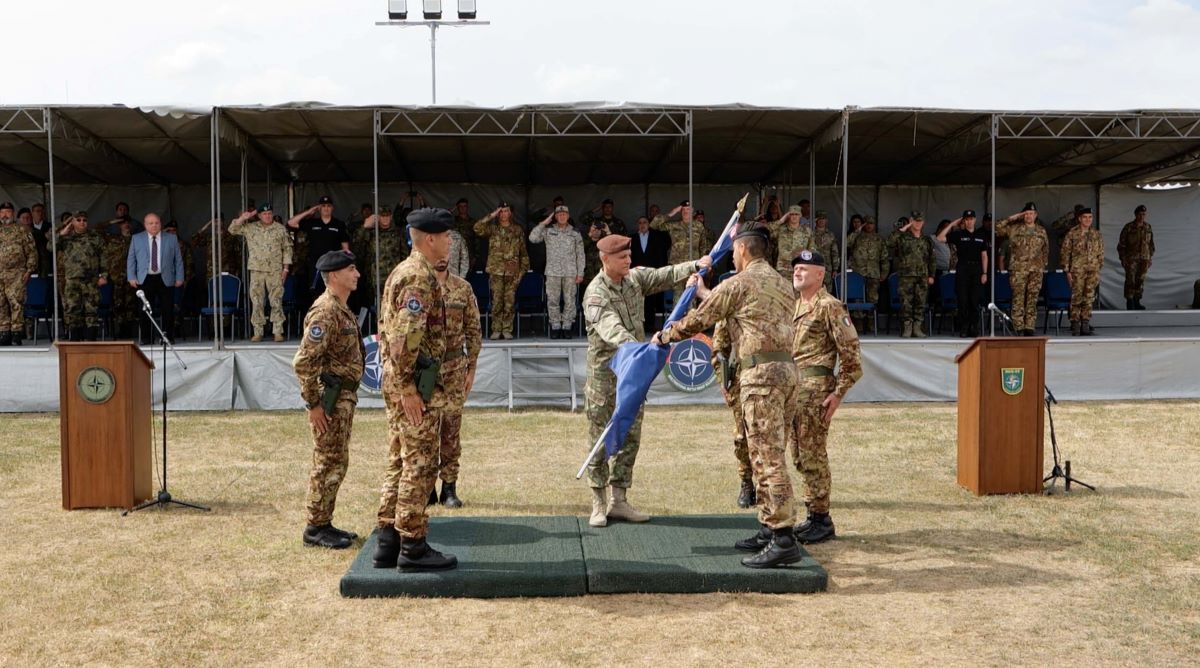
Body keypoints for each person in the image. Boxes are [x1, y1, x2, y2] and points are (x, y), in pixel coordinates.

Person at [652, 226, 799, 569]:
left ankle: (783, 538)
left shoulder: (741, 283)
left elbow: (702, 319)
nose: (731, 256)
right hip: (787, 375)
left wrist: (665, 335)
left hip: (760, 378)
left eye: (733, 251)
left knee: (768, 457)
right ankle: (768, 525)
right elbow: (737, 310)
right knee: (766, 453)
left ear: (744, 251)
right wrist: (705, 291)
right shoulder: (781, 283)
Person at [582, 234, 712, 528]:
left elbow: (662, 275)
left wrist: (695, 265)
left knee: (630, 437)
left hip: (634, 374)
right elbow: (611, 330)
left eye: (629, 256)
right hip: (607, 377)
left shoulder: (633, 279)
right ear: (605, 260)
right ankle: (598, 503)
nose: (628, 261)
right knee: (601, 438)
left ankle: (619, 500)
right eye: (622, 258)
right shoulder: (595, 294)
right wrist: (640, 348)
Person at [373, 208, 458, 572]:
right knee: (420, 465)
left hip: (403, 383)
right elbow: (404, 340)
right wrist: (409, 388)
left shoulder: (405, 271)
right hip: (413, 388)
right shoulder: (418, 278)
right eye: (447, 237)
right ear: (430, 239)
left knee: (399, 460)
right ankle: (413, 546)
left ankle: (387, 540)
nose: (451, 242)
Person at [787, 248, 863, 544]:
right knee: (799, 455)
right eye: (795, 268)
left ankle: (821, 518)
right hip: (795, 391)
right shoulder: (795, 306)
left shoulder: (829, 306)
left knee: (813, 454)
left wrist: (838, 394)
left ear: (820, 275)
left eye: (804, 269)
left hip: (816, 392)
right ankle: (812, 514)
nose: (797, 272)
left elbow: (852, 357)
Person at [292, 250, 364, 550]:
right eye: (351, 269)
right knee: (327, 462)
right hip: (330, 401)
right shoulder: (325, 312)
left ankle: (324, 521)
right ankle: (315, 527)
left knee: (337, 461)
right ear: (334, 276)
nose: (357, 274)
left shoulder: (340, 308)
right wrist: (314, 405)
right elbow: (303, 362)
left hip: (343, 398)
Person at [429, 250, 482, 507]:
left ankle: (449, 487)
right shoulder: (418, 286)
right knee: (426, 431)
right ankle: (427, 486)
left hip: (454, 368)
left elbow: (473, 329)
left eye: (446, 254)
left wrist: (471, 368)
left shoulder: (462, 288)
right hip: (425, 371)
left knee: (451, 430)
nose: (442, 257)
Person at [230, 203, 293, 342]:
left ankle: (278, 331)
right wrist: (242, 218)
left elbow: (287, 249)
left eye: (270, 213)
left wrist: (286, 269)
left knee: (276, 301)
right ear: (259, 216)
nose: (267, 216)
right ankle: (258, 331)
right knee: (257, 301)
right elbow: (232, 229)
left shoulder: (280, 229)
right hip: (257, 270)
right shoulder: (251, 228)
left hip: (275, 270)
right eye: (264, 214)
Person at [711, 320, 754, 507]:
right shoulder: (732, 306)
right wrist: (723, 381)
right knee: (742, 436)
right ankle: (747, 483)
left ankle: (768, 486)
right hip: (742, 380)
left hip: (773, 378)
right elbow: (719, 351)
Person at [473, 202, 529, 340]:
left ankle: (507, 329)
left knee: (509, 301)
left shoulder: (517, 230)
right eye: (501, 211)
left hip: (512, 271)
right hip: (496, 270)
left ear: (510, 213)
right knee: (497, 300)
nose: (504, 214)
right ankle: (496, 329)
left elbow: (523, 252)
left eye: (506, 211)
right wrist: (491, 215)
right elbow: (477, 228)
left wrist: (523, 270)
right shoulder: (493, 229)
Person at [127, 213, 185, 344]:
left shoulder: (171, 238)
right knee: (145, 309)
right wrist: (131, 276)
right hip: (145, 278)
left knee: (167, 309)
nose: (154, 225)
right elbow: (131, 259)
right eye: (150, 223)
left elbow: (178, 260)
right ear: (145, 224)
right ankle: (147, 338)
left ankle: (167, 337)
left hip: (166, 277)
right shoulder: (137, 238)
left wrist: (179, 277)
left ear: (161, 224)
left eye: (157, 223)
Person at [529, 205, 585, 338]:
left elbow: (580, 254)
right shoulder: (548, 231)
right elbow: (532, 238)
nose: (562, 216)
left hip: (570, 272)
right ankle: (555, 326)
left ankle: (567, 327)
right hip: (553, 272)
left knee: (569, 300)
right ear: (555, 216)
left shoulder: (575, 233)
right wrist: (544, 223)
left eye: (564, 214)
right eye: (559, 214)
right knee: (553, 300)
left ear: (568, 215)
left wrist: (580, 272)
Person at [996, 203, 1049, 336]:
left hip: (1036, 270)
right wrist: (1013, 218)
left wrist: (1042, 265)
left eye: (1031, 213)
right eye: (1026, 213)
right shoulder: (1015, 229)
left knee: (1033, 298)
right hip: (1018, 270)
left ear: (1036, 215)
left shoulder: (1041, 231)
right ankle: (1018, 326)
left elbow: (1045, 250)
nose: (1028, 216)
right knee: (1018, 298)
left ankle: (1029, 326)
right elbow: (997, 228)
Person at [287, 195, 351, 303]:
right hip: (316, 266)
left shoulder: (339, 224)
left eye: (329, 206)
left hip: (333, 266)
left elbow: (346, 249)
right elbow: (290, 223)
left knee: (334, 294)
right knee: (317, 295)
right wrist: (308, 212)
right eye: (323, 206)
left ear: (332, 208)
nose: (326, 208)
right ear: (319, 208)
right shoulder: (312, 223)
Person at [936, 210, 989, 338]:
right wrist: (953, 223)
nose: (969, 221)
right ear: (963, 221)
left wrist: (985, 273)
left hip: (976, 269)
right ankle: (964, 327)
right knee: (963, 300)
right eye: (966, 219)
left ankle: (974, 327)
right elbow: (940, 238)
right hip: (963, 269)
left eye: (971, 219)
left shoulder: (981, 235)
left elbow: (984, 256)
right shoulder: (959, 234)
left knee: (974, 300)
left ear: (975, 220)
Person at [57, 211, 107, 341]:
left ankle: (91, 341)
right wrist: (64, 230)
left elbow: (104, 257)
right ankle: (75, 342)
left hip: (91, 280)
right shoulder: (66, 238)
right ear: (73, 222)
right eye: (78, 220)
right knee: (73, 311)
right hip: (72, 280)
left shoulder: (95, 237)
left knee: (91, 311)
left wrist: (104, 275)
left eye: (84, 220)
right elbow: (51, 246)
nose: (82, 222)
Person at [888, 211, 935, 338]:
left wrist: (932, 275)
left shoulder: (927, 240)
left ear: (923, 222)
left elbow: (932, 259)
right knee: (906, 302)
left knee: (921, 302)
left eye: (920, 221)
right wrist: (903, 229)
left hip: (922, 275)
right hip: (906, 276)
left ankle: (917, 327)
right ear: (911, 221)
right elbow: (889, 243)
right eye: (915, 221)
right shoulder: (903, 237)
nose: (918, 223)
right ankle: (907, 327)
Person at [650, 200, 711, 296]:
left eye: (688, 209)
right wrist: (672, 212)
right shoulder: (674, 225)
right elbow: (653, 225)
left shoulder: (699, 227)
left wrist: (702, 265)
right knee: (678, 300)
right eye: (683, 210)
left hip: (693, 267)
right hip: (677, 268)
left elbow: (703, 247)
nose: (686, 212)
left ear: (692, 211)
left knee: (691, 298)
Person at [355, 205, 410, 311]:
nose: (385, 218)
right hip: (376, 279)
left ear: (391, 216)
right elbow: (357, 244)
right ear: (378, 217)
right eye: (382, 216)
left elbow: (404, 255)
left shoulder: (398, 233)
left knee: (395, 307)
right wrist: (365, 227)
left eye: (387, 216)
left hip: (394, 277)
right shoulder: (372, 233)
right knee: (379, 309)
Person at [1060, 207, 1104, 336]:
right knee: (1077, 297)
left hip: (1092, 270)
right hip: (1077, 271)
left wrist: (1098, 267)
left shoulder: (1096, 234)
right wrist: (1067, 271)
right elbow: (1065, 253)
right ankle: (1075, 323)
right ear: (1079, 219)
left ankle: (1085, 322)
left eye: (1090, 217)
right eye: (1085, 217)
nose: (1088, 220)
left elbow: (1101, 253)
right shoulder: (1072, 233)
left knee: (1089, 297)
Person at [0, 202, 37, 345]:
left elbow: (32, 252)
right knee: (1, 303)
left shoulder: (22, 230)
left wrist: (29, 270)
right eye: (2, 212)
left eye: (8, 212)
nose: (5, 215)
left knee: (16, 302)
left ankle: (16, 333)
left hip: (16, 273)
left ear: (13, 214)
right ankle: (3, 332)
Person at [846, 215, 887, 333]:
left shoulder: (879, 239)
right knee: (858, 298)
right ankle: (858, 324)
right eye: (867, 223)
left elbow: (884, 257)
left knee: (872, 298)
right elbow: (847, 243)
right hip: (858, 272)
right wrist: (857, 231)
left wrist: (884, 272)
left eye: (871, 223)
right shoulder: (857, 237)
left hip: (873, 273)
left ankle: (871, 323)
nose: (869, 226)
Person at [630, 214, 670, 332]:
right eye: (640, 223)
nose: (642, 225)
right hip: (635, 273)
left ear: (649, 225)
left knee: (650, 300)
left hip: (651, 273)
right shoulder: (631, 238)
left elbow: (660, 254)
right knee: (637, 301)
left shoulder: (656, 237)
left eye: (645, 222)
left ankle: (650, 325)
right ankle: (638, 326)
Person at [102, 216, 136, 339]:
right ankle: (121, 330)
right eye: (123, 223)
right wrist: (113, 220)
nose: (126, 225)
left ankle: (129, 331)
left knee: (130, 305)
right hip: (116, 278)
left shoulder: (136, 240)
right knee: (117, 305)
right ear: (119, 225)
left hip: (132, 278)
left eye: (128, 223)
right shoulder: (112, 239)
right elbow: (97, 229)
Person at [1118, 205, 1154, 310]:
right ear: (1136, 214)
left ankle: (1137, 301)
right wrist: (1123, 259)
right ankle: (1130, 302)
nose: (1142, 216)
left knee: (1140, 280)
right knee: (1130, 280)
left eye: (1144, 214)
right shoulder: (1128, 227)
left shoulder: (1148, 227)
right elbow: (1121, 245)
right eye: (1140, 214)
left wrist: (1150, 257)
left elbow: (1151, 244)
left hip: (1144, 259)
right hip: (1131, 259)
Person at [764, 205, 814, 280]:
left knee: (799, 291)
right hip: (783, 269)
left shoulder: (807, 231)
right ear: (788, 215)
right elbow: (766, 229)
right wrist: (781, 221)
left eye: (796, 214)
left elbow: (812, 249)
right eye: (792, 214)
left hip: (800, 267)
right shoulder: (781, 230)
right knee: (784, 291)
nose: (794, 216)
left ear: (800, 215)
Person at [811, 211, 841, 292]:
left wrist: (835, 269)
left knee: (827, 291)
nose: (821, 221)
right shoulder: (810, 233)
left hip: (827, 267)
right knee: (814, 289)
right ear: (815, 220)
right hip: (813, 266)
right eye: (819, 218)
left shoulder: (830, 235)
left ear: (826, 220)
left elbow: (835, 252)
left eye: (823, 219)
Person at [452, 197, 483, 271]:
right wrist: (452, 210)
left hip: (468, 256)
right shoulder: (452, 221)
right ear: (457, 208)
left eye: (464, 206)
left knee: (467, 278)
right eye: (460, 206)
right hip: (455, 255)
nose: (463, 208)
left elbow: (477, 240)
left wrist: (475, 257)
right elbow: (442, 218)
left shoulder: (473, 222)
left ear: (467, 207)